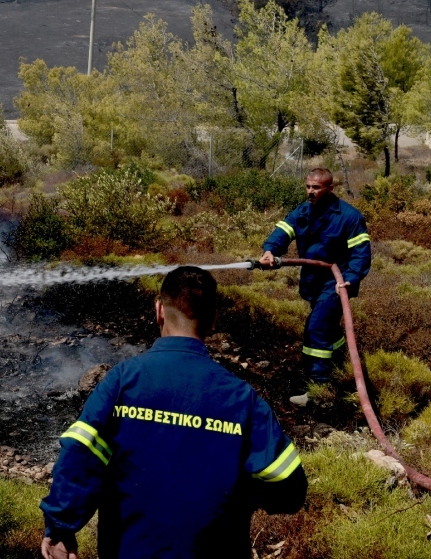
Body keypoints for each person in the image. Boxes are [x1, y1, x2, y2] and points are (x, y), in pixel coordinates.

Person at [40, 267, 307, 559]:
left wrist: (62, 527)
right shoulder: (242, 398)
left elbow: (80, 456)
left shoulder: (122, 381)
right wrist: (237, 492)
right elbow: (290, 490)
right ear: (213, 320)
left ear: (159, 311)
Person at [259, 168, 371, 406]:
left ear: (330, 189)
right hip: (313, 281)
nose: (310, 192)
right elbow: (284, 230)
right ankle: (341, 364)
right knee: (328, 327)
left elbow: (361, 253)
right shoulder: (303, 211)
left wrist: (349, 279)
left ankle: (320, 389)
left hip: (336, 282)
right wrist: (270, 250)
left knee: (317, 327)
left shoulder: (349, 217)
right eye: (308, 186)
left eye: (316, 188)